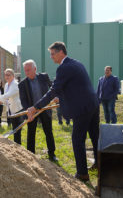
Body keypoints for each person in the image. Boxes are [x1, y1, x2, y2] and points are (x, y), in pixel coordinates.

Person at [27, 41, 99, 182]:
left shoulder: (63, 68)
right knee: (95, 137)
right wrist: (62, 98)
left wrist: (35, 107)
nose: (51, 57)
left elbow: (53, 90)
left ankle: (82, 174)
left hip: (82, 108)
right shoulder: (77, 63)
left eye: (53, 54)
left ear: (61, 52)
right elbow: (76, 87)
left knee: (77, 139)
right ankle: (99, 164)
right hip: (93, 104)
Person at [18, 60, 57, 162]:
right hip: (32, 111)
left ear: (35, 69)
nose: (27, 72)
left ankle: (52, 153)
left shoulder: (44, 77)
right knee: (31, 132)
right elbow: (23, 100)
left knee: (48, 131)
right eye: (25, 71)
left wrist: (56, 96)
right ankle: (31, 154)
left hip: (44, 108)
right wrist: (28, 112)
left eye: (29, 70)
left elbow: (52, 88)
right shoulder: (22, 84)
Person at [0, 69, 23, 144]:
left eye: (9, 75)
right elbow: (6, 99)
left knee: (17, 130)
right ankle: (16, 145)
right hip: (11, 110)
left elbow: (8, 95)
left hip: (17, 110)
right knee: (14, 129)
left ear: (13, 76)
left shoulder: (15, 84)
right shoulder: (6, 85)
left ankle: (18, 147)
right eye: (6, 75)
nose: (7, 76)